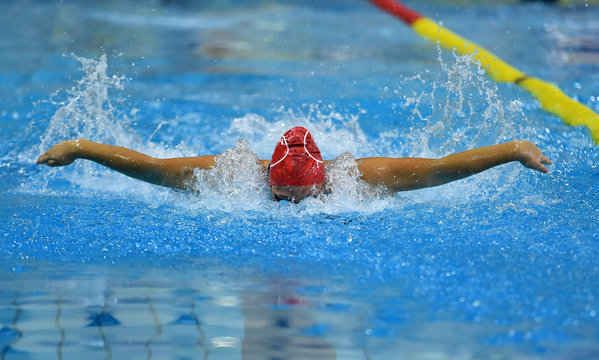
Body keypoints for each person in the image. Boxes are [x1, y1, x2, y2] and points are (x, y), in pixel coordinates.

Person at [36, 126, 552, 203]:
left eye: (302, 199)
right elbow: (151, 166)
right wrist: (81, 148)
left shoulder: (359, 176)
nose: (292, 208)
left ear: (324, 180)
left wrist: (513, 150)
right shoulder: (235, 172)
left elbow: (441, 168)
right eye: (283, 199)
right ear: (268, 177)